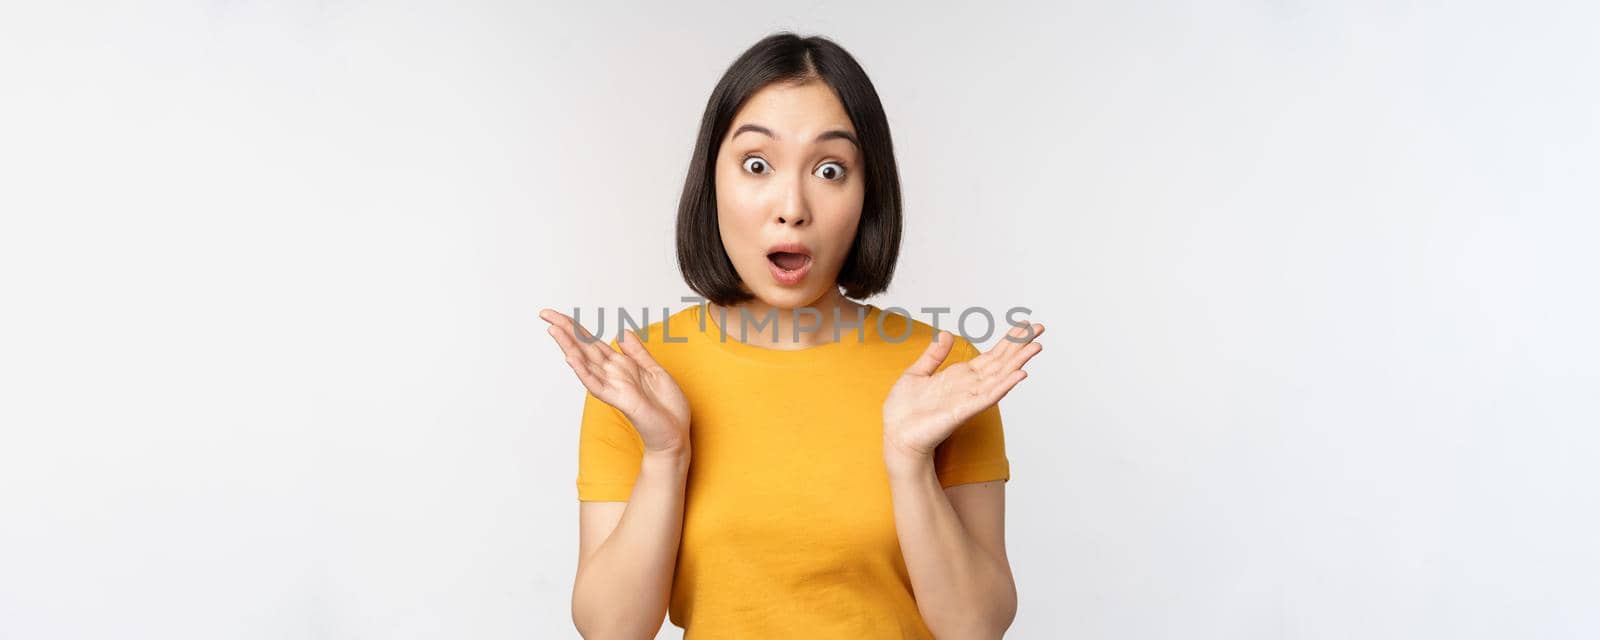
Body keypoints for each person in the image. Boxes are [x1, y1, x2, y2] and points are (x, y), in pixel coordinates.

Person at [539, 31, 1045, 639]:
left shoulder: (945, 371)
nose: (792, 206)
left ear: (867, 195)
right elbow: (611, 631)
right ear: (712, 181)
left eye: (830, 169)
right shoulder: (640, 375)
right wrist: (665, 456)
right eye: (757, 164)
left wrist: (910, 464)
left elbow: (977, 628)